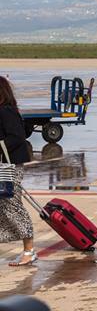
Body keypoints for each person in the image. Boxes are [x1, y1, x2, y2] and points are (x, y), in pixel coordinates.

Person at [0, 77, 35, 267]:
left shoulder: (6, 111)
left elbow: (17, 137)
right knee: (4, 206)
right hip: (3, 165)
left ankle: (29, 251)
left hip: (9, 167)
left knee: (12, 206)